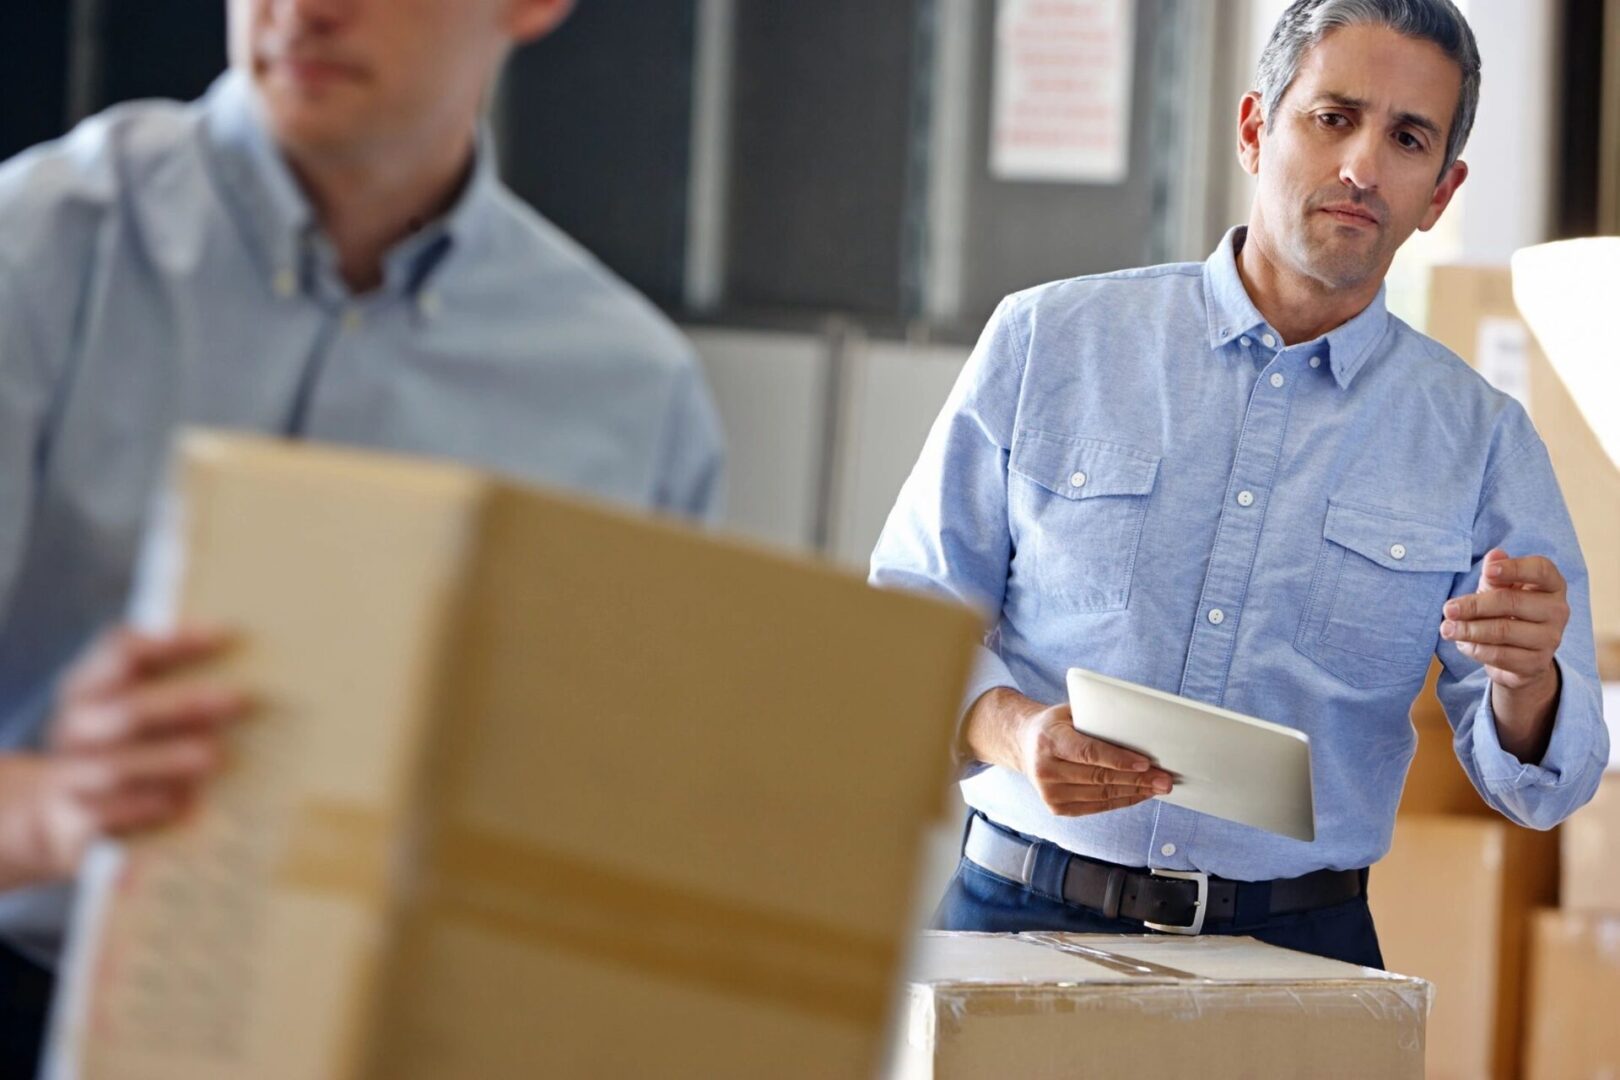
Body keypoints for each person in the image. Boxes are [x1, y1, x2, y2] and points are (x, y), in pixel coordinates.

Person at [0, 0, 724, 1068]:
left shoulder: (632, 393)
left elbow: (627, 831)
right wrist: (53, 811)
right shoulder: (35, 254)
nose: (299, 10)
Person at [871, 0, 1607, 969]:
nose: (1361, 167)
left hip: (1301, 951)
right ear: (1257, 128)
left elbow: (1545, 783)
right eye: (1332, 117)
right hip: (1019, 917)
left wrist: (1528, 677)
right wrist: (1013, 734)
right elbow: (902, 624)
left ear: (1440, 192)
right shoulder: (1048, 342)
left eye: (1407, 138)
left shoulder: (1480, 443)